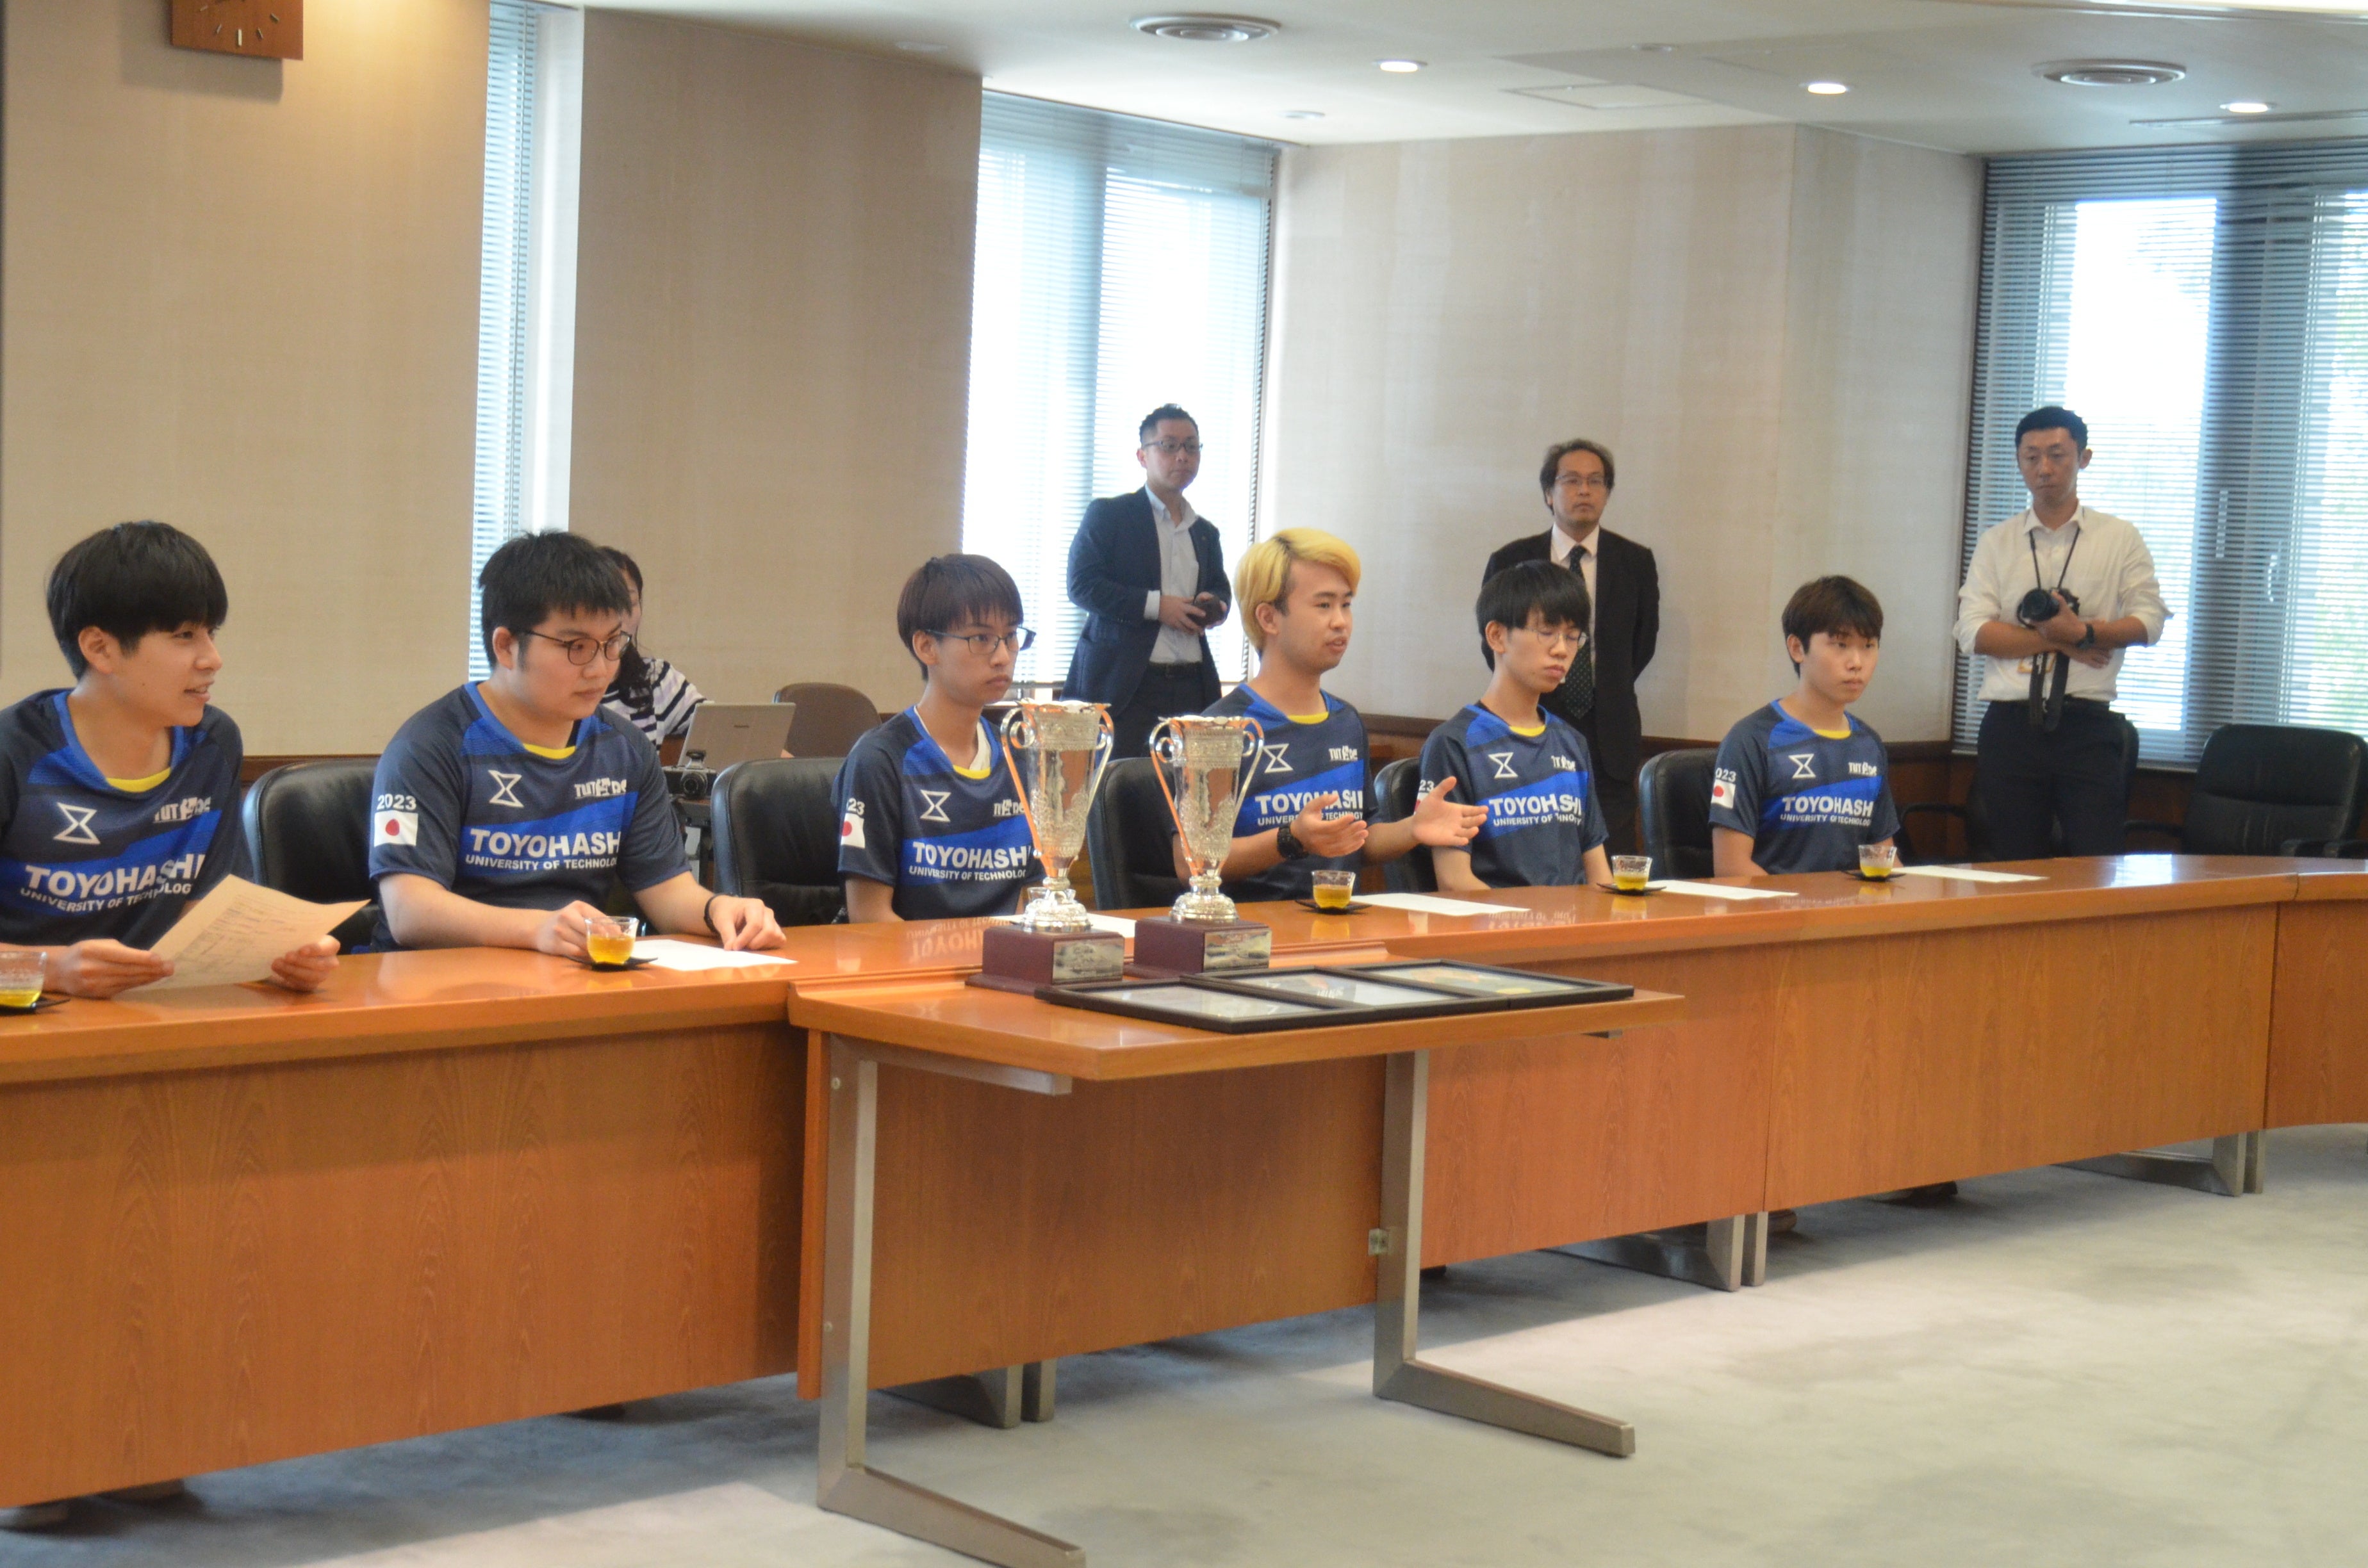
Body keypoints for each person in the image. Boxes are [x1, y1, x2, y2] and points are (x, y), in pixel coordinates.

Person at [0, 521, 334, 1533]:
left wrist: (277, 949)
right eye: (185, 636)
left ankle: (140, 1433)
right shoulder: (16, 755)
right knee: (55, 1246)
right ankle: (36, 1450)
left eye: (212, 633)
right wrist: (48, 967)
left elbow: (210, 901)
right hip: (29, 1049)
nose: (211, 659)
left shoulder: (211, 744)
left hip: (158, 1034)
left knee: (175, 1236)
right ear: (100, 647)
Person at [368, 532, 783, 956]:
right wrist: (536, 929)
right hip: (437, 978)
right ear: (506, 646)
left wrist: (719, 910)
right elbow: (409, 911)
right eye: (577, 647)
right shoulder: (431, 747)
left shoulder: (624, 749)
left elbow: (667, 892)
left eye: (612, 644)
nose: (601, 669)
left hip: (568, 974)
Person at [1186, 528, 1486, 903]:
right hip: (1251, 929)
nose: (1341, 622)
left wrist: (1413, 828)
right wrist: (1291, 839)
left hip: (1339, 925)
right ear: (1269, 618)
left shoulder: (1346, 721)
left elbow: (1362, 838)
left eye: (1346, 605)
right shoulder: (1221, 729)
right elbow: (1193, 861)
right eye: (1324, 605)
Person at [1954, 406, 2167, 860]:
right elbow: (1972, 633)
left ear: (2083, 458)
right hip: (2010, 726)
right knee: (2012, 867)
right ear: (2018, 461)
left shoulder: (2119, 538)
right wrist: (2064, 639)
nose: (2044, 469)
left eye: (2057, 455)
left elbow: (2149, 622)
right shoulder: (1997, 542)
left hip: (2087, 726)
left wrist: (2084, 630)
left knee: (2097, 862)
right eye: (2031, 457)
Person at [835, 554, 1040, 922]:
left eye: (1010, 636)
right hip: (903, 957)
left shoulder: (1019, 756)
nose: (1003, 657)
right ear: (927, 647)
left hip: (999, 954)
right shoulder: (881, 759)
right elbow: (869, 918)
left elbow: (1030, 904)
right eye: (982, 638)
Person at [1482, 438, 1659, 852]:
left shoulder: (1635, 562)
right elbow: (1497, 646)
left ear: (1607, 493)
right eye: (1572, 480)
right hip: (1532, 718)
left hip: (1609, 729)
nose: (1585, 490)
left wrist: (1601, 683)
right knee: (1536, 846)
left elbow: (1642, 644)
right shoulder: (1510, 560)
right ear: (1549, 492)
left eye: (1596, 481)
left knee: (1610, 854)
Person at [1419, 561, 1612, 892]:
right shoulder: (1455, 743)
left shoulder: (1572, 742)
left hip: (1575, 920)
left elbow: (1599, 875)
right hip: (1496, 920)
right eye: (1547, 632)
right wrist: (1525, 918)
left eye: (1572, 636)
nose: (1562, 649)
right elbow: (1454, 879)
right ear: (1497, 636)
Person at [1064, 404, 1233, 758]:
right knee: (1118, 786)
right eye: (1169, 446)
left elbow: (1221, 589)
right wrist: (1158, 607)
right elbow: (1082, 584)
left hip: (1192, 686)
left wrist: (1215, 605)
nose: (1182, 456)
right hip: (1126, 687)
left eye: (1191, 447)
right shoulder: (1110, 515)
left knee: (1186, 789)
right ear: (1142, 456)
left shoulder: (1205, 532)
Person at [1709, 576, 1901, 877]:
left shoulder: (1869, 745)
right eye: (1841, 645)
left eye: (1868, 646)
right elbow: (1731, 868)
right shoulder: (1752, 740)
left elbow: (1882, 859)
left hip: (1852, 906)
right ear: (1797, 648)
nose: (1857, 662)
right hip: (1774, 905)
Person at [596, 546, 704, 746]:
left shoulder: (655, 678)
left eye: (630, 602)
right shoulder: (565, 686)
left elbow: (717, 729)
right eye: (608, 603)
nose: (620, 617)